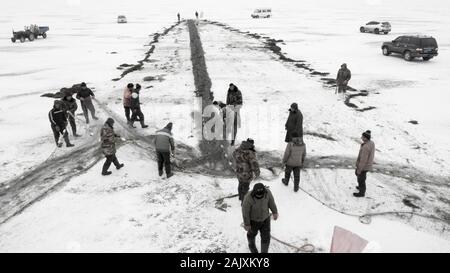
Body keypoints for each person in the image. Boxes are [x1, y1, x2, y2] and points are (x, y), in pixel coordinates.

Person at [242, 183, 278, 253]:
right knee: (251, 235)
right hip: (253, 221)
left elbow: (271, 202)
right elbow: (245, 212)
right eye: (258, 196)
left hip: (265, 219)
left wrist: (275, 212)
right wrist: (247, 224)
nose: (260, 196)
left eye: (261, 195)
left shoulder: (267, 192)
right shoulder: (248, 198)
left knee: (266, 237)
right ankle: (252, 248)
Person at [354, 130, 375, 197]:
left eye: (362, 137)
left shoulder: (366, 147)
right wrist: (368, 133)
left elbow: (363, 160)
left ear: (365, 138)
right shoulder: (371, 143)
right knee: (362, 177)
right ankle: (361, 187)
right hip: (368, 165)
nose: (361, 138)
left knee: (361, 178)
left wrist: (359, 169)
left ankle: (361, 193)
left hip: (364, 166)